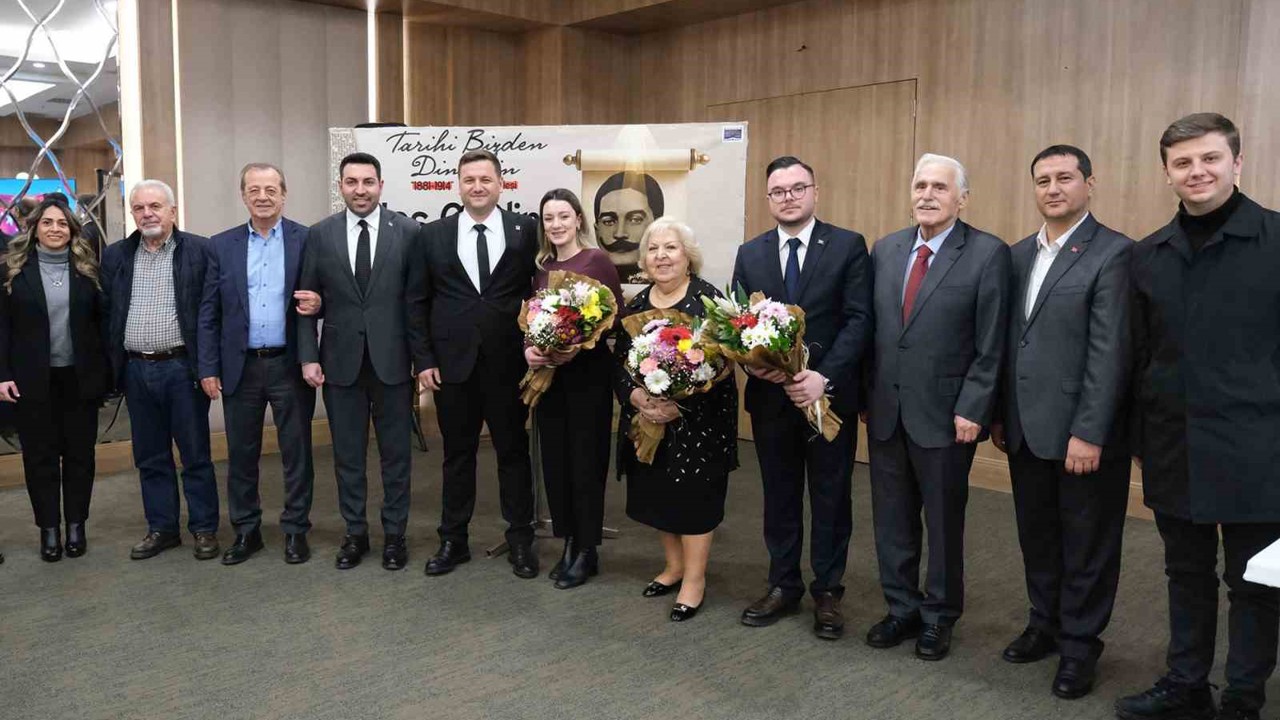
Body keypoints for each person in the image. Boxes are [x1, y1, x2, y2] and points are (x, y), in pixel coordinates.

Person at [1116, 113, 1280, 720]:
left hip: (1258, 446)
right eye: (1182, 163)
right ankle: (1185, 684)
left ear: (1237, 163)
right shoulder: (1149, 255)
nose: (1197, 172)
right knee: (1184, 573)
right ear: (1167, 174)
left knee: (1254, 583)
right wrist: (1137, 437)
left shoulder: (1277, 239)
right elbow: (1138, 356)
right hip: (1172, 445)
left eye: (1210, 158)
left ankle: (1243, 696)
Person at [990, 145, 1132, 699]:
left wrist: (1090, 430)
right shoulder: (1018, 254)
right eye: (1043, 179)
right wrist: (1001, 414)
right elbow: (1007, 343)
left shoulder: (1114, 253)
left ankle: (1080, 645)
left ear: (1089, 184)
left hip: (1081, 433)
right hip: (1025, 427)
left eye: (1065, 178)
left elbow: (1110, 353)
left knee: (1088, 542)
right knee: (1039, 536)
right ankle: (1044, 623)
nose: (1053, 188)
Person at [864, 153, 1010, 660]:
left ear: (961, 198)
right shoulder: (886, 249)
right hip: (886, 411)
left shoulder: (988, 254)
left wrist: (975, 406)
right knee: (892, 518)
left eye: (940, 188)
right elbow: (876, 335)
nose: (927, 195)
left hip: (948, 416)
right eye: (920, 185)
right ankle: (901, 608)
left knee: (944, 522)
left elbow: (992, 343)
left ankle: (939, 615)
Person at [731, 156, 873, 640]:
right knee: (780, 495)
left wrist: (823, 377)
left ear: (815, 192)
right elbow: (737, 326)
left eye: (797, 188)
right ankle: (783, 583)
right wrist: (757, 363)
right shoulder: (750, 254)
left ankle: (828, 591)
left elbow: (859, 320)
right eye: (778, 191)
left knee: (831, 496)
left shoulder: (849, 246)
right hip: (771, 400)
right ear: (768, 199)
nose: (788, 197)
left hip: (827, 400)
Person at [297, 152, 428, 571]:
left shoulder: (408, 232)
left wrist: (422, 361)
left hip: (394, 364)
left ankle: (394, 536)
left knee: (396, 457)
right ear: (341, 187)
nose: (360, 190)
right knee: (348, 456)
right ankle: (355, 534)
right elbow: (305, 300)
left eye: (368, 182)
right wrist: (308, 357)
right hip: (339, 364)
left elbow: (417, 304)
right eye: (351, 182)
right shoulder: (320, 235)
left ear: (381, 186)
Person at [417, 149, 539, 580]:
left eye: (485, 179)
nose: (477, 186)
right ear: (458, 184)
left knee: (513, 452)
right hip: (453, 366)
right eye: (469, 179)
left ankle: (521, 538)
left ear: (501, 184)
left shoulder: (527, 231)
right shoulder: (432, 235)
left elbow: (540, 293)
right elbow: (419, 302)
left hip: (510, 364)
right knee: (457, 454)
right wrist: (424, 360)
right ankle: (453, 539)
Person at [615, 218, 738, 621]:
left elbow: (721, 369)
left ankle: (695, 580)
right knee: (657, 493)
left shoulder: (708, 303)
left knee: (694, 500)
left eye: (671, 248)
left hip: (697, 424)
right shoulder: (636, 304)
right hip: (647, 420)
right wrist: (635, 396)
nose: (661, 256)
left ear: (688, 257)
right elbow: (618, 365)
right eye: (653, 249)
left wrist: (678, 405)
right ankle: (674, 567)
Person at [199, 163, 322, 566]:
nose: (263, 196)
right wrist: (208, 366)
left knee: (297, 453)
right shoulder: (220, 245)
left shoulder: (307, 240)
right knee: (242, 454)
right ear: (244, 195)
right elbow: (209, 312)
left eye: (271, 189)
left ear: (284, 194)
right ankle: (246, 530)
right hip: (241, 367)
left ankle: (295, 531)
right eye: (255, 189)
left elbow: (321, 297)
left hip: (289, 363)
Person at [101, 180, 219, 561]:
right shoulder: (117, 255)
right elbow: (108, 314)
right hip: (136, 370)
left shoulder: (200, 250)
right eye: (139, 208)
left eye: (155, 206)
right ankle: (162, 528)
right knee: (150, 456)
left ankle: (203, 528)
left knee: (195, 453)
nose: (147, 213)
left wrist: (208, 367)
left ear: (173, 211)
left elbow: (210, 313)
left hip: (182, 368)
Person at [0, 195, 111, 561]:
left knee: (80, 457)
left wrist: (108, 374)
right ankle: (49, 530)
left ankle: (76, 525)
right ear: (33, 228)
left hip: (80, 381)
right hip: (33, 382)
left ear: (72, 230)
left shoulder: (88, 270)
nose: (55, 229)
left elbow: (102, 325)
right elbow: (2, 328)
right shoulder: (12, 271)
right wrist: (2, 375)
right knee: (40, 458)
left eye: (62, 223)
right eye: (47, 222)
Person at [525, 188, 624, 589]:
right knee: (556, 464)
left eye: (563, 216)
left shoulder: (596, 260)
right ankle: (567, 541)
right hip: (550, 380)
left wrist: (578, 344)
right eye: (549, 218)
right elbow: (531, 320)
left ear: (578, 219)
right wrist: (532, 350)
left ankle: (588, 549)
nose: (556, 225)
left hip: (587, 379)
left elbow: (614, 320)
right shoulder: (542, 266)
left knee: (586, 463)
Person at [593, 171, 664, 283]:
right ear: (597, 231)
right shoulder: (581, 285)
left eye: (635, 220)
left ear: (657, 227)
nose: (620, 233)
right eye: (609, 221)